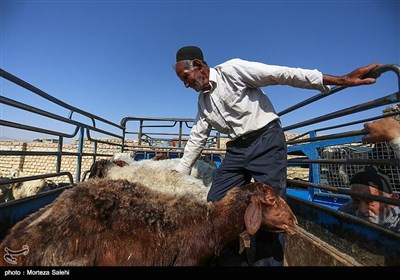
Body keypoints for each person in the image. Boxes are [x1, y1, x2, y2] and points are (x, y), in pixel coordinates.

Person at [173, 45, 380, 266]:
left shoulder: (232, 70)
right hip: (237, 149)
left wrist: (339, 80)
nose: (186, 85)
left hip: (266, 141)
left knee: (269, 208)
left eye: (186, 77)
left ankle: (268, 264)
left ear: (198, 65)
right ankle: (230, 259)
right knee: (217, 202)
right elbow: (197, 136)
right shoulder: (203, 102)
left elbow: (281, 73)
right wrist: (179, 172)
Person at [338, 166, 400, 232]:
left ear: (393, 200)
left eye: (370, 201)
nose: (362, 210)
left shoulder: (397, 224)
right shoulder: (346, 210)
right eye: (356, 200)